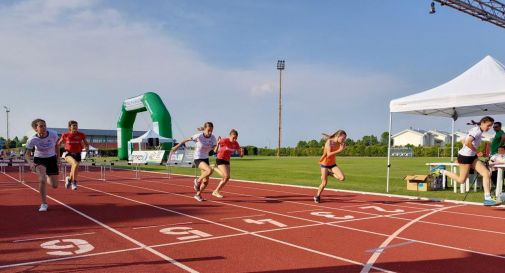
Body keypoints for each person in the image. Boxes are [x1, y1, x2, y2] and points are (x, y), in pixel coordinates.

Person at [435, 116, 498, 206]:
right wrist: (476, 151)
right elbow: (467, 142)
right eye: (488, 125)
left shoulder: (478, 130)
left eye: (491, 126)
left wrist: (472, 152)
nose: (489, 128)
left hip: (471, 156)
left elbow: (463, 140)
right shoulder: (476, 131)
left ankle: (487, 198)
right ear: (483, 122)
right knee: (461, 181)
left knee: (487, 173)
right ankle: (441, 170)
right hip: (465, 157)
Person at [171, 122, 217, 202]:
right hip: (198, 158)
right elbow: (186, 140)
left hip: (206, 158)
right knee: (209, 170)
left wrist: (218, 144)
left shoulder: (213, 138)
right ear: (205, 129)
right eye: (208, 130)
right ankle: (197, 181)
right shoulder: (198, 136)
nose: (210, 132)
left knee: (206, 181)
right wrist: (176, 146)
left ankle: (198, 195)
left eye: (211, 131)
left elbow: (215, 150)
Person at [25, 119, 60, 212]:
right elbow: (27, 154)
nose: (44, 128)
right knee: (42, 179)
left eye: (45, 125)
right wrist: (30, 163)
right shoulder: (32, 139)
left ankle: (47, 175)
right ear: (36, 129)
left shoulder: (53, 134)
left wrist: (58, 158)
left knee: (55, 185)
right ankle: (44, 204)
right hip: (39, 159)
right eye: (41, 126)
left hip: (51, 158)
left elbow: (57, 145)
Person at [314, 130, 347, 203]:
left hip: (332, 164)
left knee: (342, 178)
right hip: (325, 163)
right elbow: (328, 154)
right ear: (338, 136)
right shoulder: (329, 142)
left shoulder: (339, 143)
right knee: (324, 183)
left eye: (345, 139)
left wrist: (341, 148)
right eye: (343, 138)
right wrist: (340, 150)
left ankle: (329, 173)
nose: (344, 140)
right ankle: (318, 196)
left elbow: (333, 136)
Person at [211, 129, 243, 198]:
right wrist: (217, 143)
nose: (234, 139)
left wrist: (241, 152)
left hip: (227, 161)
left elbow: (241, 156)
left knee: (227, 177)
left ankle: (216, 191)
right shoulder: (224, 140)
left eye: (236, 138)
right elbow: (215, 150)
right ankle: (216, 191)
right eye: (233, 138)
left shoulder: (236, 143)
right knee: (225, 176)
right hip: (220, 159)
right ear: (230, 136)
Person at [58, 120, 89, 190]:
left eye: (76, 125)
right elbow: (58, 144)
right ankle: (74, 182)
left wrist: (86, 149)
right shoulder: (65, 135)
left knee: (75, 169)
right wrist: (56, 152)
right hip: (68, 153)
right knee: (74, 164)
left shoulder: (81, 134)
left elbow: (86, 144)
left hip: (78, 154)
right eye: (74, 126)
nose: (75, 127)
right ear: (70, 127)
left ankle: (69, 179)